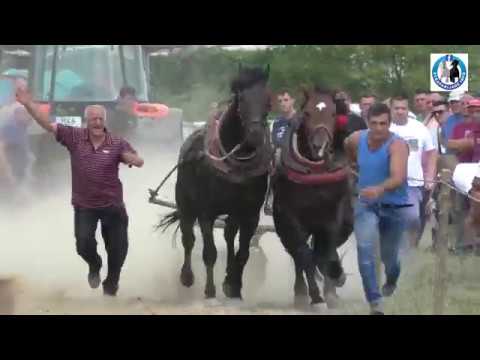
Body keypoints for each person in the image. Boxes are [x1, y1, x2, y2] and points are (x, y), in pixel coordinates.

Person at [16, 85, 144, 296]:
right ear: (86, 121)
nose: (97, 122)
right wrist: (29, 104)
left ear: (105, 122)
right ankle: (94, 264)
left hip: (113, 205)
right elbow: (47, 125)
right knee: (83, 244)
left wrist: (133, 159)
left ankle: (111, 283)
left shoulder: (117, 142)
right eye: (93, 118)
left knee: (118, 249)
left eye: (100, 119)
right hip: (85, 205)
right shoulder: (74, 137)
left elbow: (137, 158)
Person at [344, 103, 410, 315]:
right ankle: (374, 302)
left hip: (394, 207)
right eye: (374, 123)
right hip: (366, 205)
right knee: (365, 251)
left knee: (390, 257)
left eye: (384, 123)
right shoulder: (356, 139)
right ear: (367, 122)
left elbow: (398, 177)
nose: (379, 128)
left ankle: (391, 279)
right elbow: (347, 150)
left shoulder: (397, 145)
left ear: (389, 124)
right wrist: (352, 167)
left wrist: (379, 188)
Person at [389, 95, 437, 249]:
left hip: (413, 183)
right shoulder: (382, 128)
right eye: (397, 108)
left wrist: (429, 176)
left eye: (403, 108)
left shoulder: (419, 128)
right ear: (391, 110)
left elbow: (431, 153)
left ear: (408, 109)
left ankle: (410, 249)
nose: (400, 111)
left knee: (413, 217)